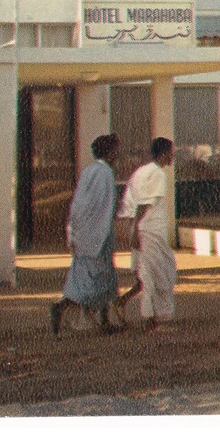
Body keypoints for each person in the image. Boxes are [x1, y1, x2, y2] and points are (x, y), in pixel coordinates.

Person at [50, 133, 123, 336]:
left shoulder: (88, 172)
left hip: (84, 234)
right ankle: (63, 306)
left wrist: (74, 233)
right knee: (98, 278)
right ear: (109, 152)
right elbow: (106, 207)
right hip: (100, 234)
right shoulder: (106, 173)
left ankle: (104, 320)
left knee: (89, 277)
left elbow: (79, 206)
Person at [117, 137, 176, 330]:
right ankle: (152, 320)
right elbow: (144, 204)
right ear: (165, 153)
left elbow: (128, 202)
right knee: (158, 274)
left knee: (147, 275)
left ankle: (123, 303)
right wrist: (135, 229)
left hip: (144, 230)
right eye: (171, 152)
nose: (172, 156)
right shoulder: (157, 174)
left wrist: (132, 228)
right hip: (150, 231)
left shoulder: (141, 172)